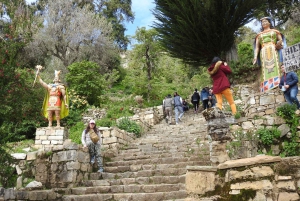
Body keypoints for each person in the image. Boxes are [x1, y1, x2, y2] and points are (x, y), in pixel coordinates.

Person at [253, 17, 286, 92]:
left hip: (273, 49)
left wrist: (280, 44)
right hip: (263, 51)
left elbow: (281, 40)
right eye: (262, 22)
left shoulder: (275, 31)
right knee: (265, 68)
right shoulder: (259, 35)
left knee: (275, 65)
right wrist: (255, 57)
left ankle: (278, 82)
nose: (264, 23)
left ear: (269, 23)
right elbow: (257, 47)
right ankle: (266, 86)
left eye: (265, 21)